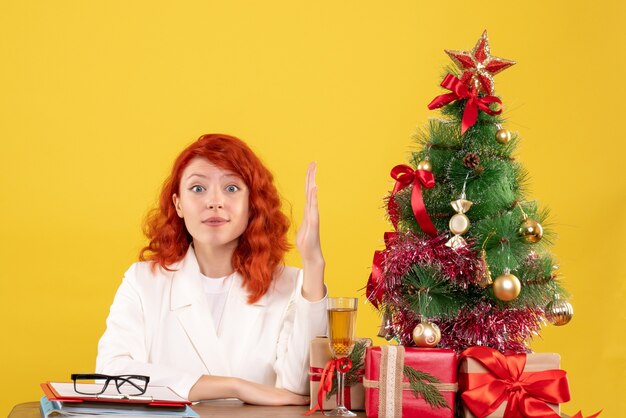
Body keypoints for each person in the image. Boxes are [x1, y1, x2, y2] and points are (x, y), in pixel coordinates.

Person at [96, 134, 327, 405]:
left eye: (231, 188)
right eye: (197, 188)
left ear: (252, 204)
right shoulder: (143, 281)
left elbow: (299, 390)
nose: (214, 202)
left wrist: (313, 264)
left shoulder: (291, 285)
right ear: (178, 204)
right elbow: (111, 376)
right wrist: (236, 387)